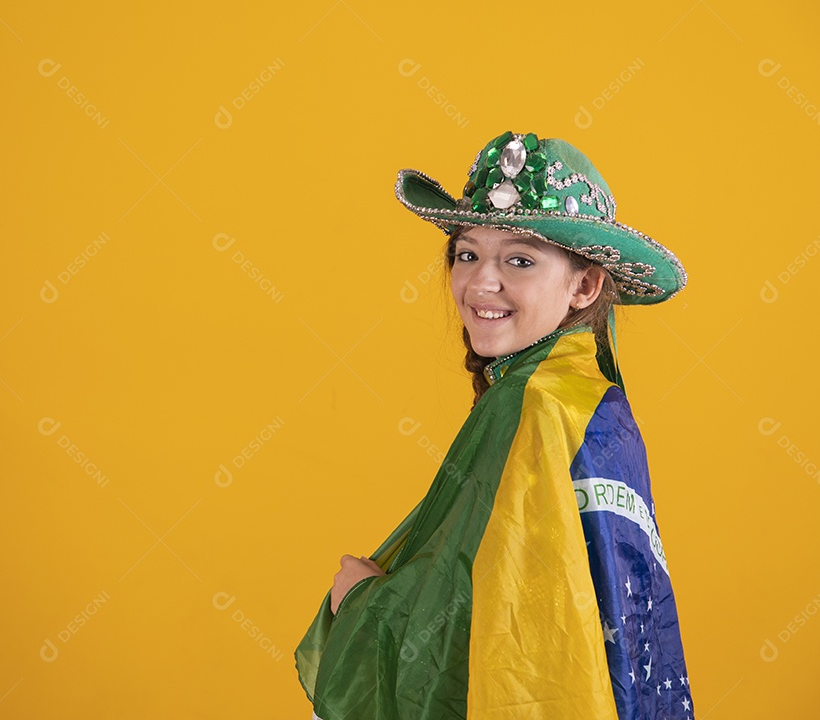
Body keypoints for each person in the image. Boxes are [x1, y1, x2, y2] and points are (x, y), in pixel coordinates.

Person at [295, 130, 695, 719]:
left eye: (520, 259)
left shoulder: (532, 404)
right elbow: (532, 599)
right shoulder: (593, 397)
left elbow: (498, 640)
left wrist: (363, 604)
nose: (482, 281)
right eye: (468, 253)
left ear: (584, 285)